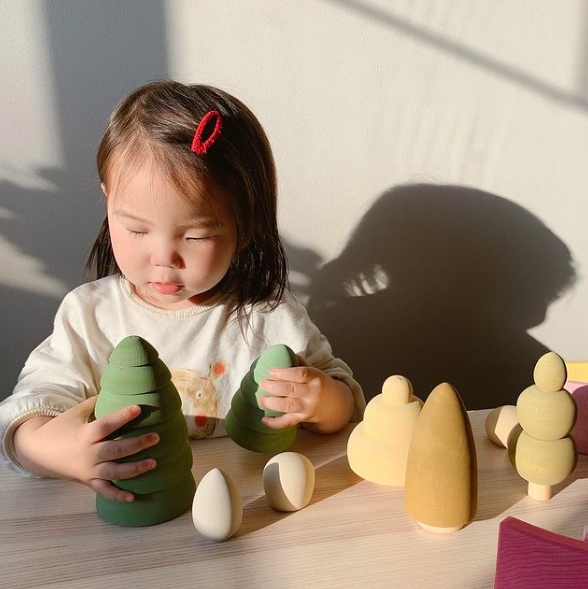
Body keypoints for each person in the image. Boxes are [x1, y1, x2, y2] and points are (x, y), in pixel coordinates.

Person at [0, 80, 365, 504]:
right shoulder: (90, 316)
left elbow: (346, 407)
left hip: (248, 504)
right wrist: (49, 449)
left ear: (245, 225)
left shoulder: (269, 315)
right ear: (108, 200)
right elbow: (26, 412)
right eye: (136, 229)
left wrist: (322, 401)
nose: (163, 258)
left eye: (195, 236)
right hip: (134, 509)